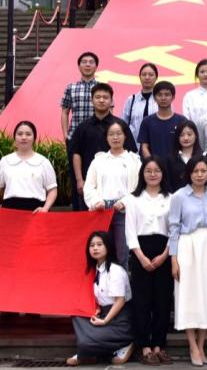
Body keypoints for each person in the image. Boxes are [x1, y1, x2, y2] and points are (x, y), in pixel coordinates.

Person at [169, 156, 207, 366]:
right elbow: (173, 228)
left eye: (203, 171)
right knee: (189, 295)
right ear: (189, 173)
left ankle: (201, 346)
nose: (200, 175)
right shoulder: (179, 196)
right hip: (187, 245)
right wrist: (173, 259)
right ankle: (192, 346)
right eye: (195, 171)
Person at [124, 159, 174, 366]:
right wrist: (141, 257)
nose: (153, 174)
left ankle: (159, 346)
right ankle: (144, 347)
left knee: (163, 300)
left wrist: (165, 255)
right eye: (148, 171)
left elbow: (174, 229)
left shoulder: (172, 198)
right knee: (142, 301)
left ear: (163, 173)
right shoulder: (133, 199)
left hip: (164, 250)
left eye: (157, 170)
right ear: (142, 174)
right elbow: (130, 231)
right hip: (140, 251)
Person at [68, 231, 134, 366]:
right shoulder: (95, 270)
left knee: (85, 341)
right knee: (77, 315)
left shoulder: (115, 270)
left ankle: (125, 343)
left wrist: (104, 321)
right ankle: (92, 350)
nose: (95, 248)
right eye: (92, 245)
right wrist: (97, 309)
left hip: (119, 321)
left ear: (108, 247)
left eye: (99, 244)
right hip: (104, 314)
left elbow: (120, 301)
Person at [85, 119, 143, 265]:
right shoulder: (98, 160)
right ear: (106, 137)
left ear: (125, 136)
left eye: (119, 133)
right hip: (101, 210)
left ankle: (122, 279)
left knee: (122, 252)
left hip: (123, 211)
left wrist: (124, 202)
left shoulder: (134, 161)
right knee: (101, 252)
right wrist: (96, 201)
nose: (115, 137)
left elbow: (139, 187)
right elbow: (89, 186)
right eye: (111, 134)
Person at [71, 83, 133, 210]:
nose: (101, 100)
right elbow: (76, 153)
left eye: (105, 97)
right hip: (90, 185)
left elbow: (131, 153)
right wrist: (79, 180)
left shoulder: (120, 126)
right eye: (98, 97)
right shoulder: (83, 127)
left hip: (118, 188)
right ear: (92, 100)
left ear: (111, 101)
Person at [0, 121, 58, 212]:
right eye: (20, 134)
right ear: (15, 137)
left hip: (36, 211)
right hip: (10, 210)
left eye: (28, 134)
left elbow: (52, 190)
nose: (24, 137)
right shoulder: (5, 161)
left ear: (34, 138)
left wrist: (45, 208)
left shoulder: (44, 162)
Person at [62, 52, 100, 201]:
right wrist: (66, 134)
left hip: (97, 137)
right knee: (76, 177)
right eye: (84, 62)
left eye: (91, 62)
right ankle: (77, 209)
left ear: (96, 66)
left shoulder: (102, 88)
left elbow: (110, 111)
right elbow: (65, 112)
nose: (87, 64)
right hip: (75, 137)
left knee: (97, 174)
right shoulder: (71, 87)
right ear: (79, 66)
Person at [139, 81, 187, 162]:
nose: (163, 98)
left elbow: (187, 146)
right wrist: (152, 164)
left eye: (167, 95)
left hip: (177, 166)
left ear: (173, 97)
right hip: (154, 167)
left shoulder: (182, 120)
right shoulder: (147, 121)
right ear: (154, 98)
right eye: (159, 95)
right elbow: (144, 147)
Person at [166, 120, 207, 193]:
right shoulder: (171, 158)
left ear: (196, 135)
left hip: (200, 197)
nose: (186, 138)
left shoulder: (204, 156)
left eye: (189, 134)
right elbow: (168, 182)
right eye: (182, 135)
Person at [121, 63, 160, 139]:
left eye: (151, 75)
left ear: (156, 77)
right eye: (144, 74)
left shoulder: (162, 100)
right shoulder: (131, 100)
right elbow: (123, 124)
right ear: (139, 77)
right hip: (134, 144)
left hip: (156, 143)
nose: (147, 77)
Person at [181, 59, 207, 125]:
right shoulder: (189, 96)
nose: (205, 74)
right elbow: (186, 118)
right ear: (197, 74)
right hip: (195, 130)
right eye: (202, 72)